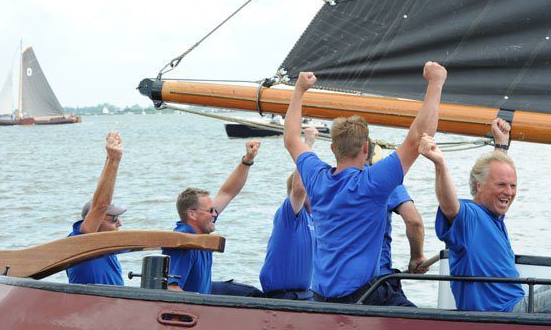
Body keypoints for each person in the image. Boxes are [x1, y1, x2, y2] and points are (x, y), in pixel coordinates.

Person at [283, 62, 446, 304]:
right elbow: (418, 139)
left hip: (321, 298)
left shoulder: (316, 177)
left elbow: (291, 138)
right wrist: (436, 83)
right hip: (363, 298)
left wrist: (299, 91)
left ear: (332, 148)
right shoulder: (373, 182)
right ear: (366, 148)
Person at [421, 118, 551, 314]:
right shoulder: (469, 218)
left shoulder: (493, 216)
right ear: (479, 185)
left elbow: (494, 174)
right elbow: (449, 207)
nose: (509, 192)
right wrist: (440, 165)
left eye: (513, 186)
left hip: (519, 300)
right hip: (504, 315)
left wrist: (501, 144)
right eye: (502, 185)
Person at [163, 140, 262, 295]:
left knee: (252, 294)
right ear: (192, 214)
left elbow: (227, 192)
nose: (215, 214)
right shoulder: (183, 243)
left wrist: (247, 161)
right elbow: (171, 288)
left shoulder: (201, 234)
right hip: (191, 313)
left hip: (203, 296)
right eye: (210, 211)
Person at [259, 127, 318, 300]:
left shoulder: (313, 219)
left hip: (304, 295)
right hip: (282, 296)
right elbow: (298, 189)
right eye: (312, 191)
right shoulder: (290, 215)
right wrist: (308, 144)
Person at [367, 142, 428, 307]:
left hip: (337, 286)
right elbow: (414, 222)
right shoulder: (383, 180)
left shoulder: (332, 182)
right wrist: (417, 257)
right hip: (377, 284)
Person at [66, 131, 127, 285]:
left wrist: (108, 157)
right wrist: (114, 160)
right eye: (113, 219)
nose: (119, 223)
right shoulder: (81, 246)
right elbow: (101, 206)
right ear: (96, 222)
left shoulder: (106, 250)